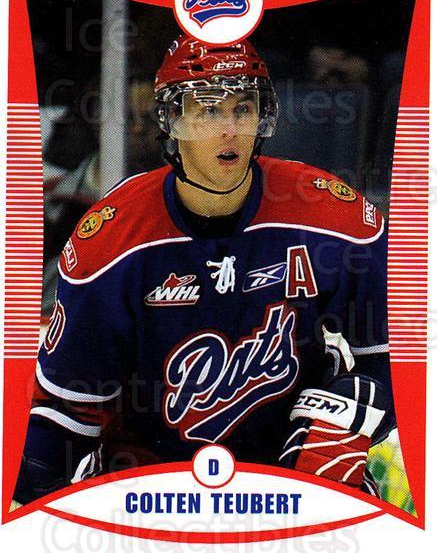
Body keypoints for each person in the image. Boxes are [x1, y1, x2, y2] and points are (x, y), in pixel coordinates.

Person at [14, 35, 394, 505]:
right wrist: (32, 506)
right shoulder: (112, 242)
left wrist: (350, 414)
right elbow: (64, 414)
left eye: (243, 109)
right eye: (209, 110)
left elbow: (399, 358)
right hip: (148, 493)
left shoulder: (330, 216)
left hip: (293, 485)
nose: (230, 129)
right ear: (171, 120)